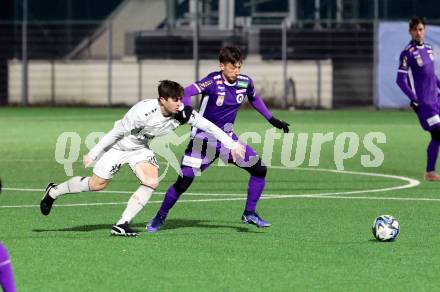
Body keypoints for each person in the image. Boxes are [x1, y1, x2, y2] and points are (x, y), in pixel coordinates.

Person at [40, 80, 245, 236]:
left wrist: (232, 144)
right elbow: (116, 132)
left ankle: (122, 224)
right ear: (162, 100)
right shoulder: (142, 112)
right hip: (118, 147)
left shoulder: (183, 113)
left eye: (181, 98)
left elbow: (208, 126)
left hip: (140, 149)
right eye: (175, 99)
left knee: (151, 181)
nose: (179, 103)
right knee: (96, 185)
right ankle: (54, 191)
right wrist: (94, 153)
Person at [147, 46, 290, 232]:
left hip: (227, 140)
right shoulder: (212, 81)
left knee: (259, 169)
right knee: (184, 182)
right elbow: (187, 92)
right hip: (203, 139)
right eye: (233, 67)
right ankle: (160, 216)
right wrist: (189, 111)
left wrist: (272, 119)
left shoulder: (245, 82)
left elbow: (254, 98)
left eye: (239, 67)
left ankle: (250, 213)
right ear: (222, 65)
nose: (236, 71)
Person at [396, 17, 440, 181]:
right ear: (410, 32)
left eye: (421, 29)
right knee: (438, 133)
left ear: (425, 30)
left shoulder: (429, 49)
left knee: (436, 136)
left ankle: (430, 172)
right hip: (425, 104)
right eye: (415, 30)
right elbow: (400, 80)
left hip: (436, 99)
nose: (418, 32)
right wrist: (414, 99)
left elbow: (431, 75)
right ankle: (430, 172)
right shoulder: (407, 53)